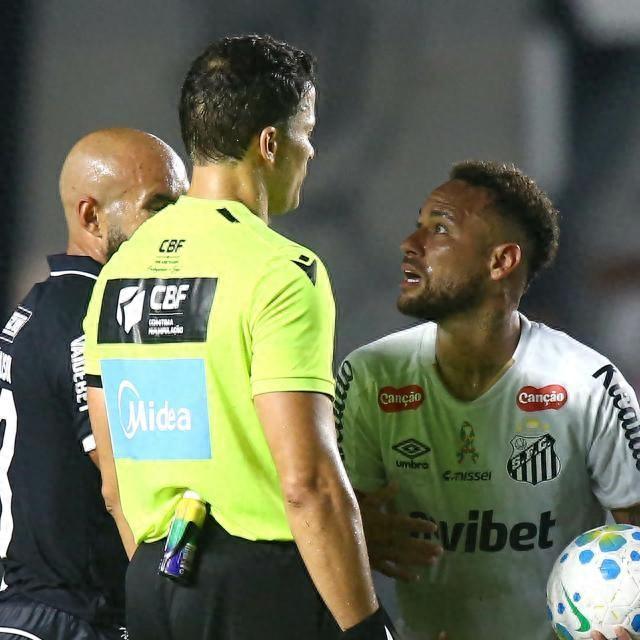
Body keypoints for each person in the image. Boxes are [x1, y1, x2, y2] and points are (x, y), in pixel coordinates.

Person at [83, 35, 396, 640]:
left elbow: (114, 485)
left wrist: (168, 585)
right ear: (270, 144)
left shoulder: (119, 274)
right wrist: (366, 628)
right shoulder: (281, 271)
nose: (312, 150)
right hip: (260, 586)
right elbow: (307, 484)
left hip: (153, 580)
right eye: (307, 131)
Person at [336, 160, 640, 639]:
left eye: (439, 229)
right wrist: (352, 538)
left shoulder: (589, 383)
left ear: (501, 262)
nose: (410, 244)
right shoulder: (369, 378)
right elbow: (322, 526)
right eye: (418, 225)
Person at [0, 127, 188, 639]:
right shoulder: (92, 317)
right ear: (91, 216)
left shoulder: (47, 305)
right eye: (160, 207)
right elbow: (122, 476)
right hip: (69, 619)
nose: (180, 227)